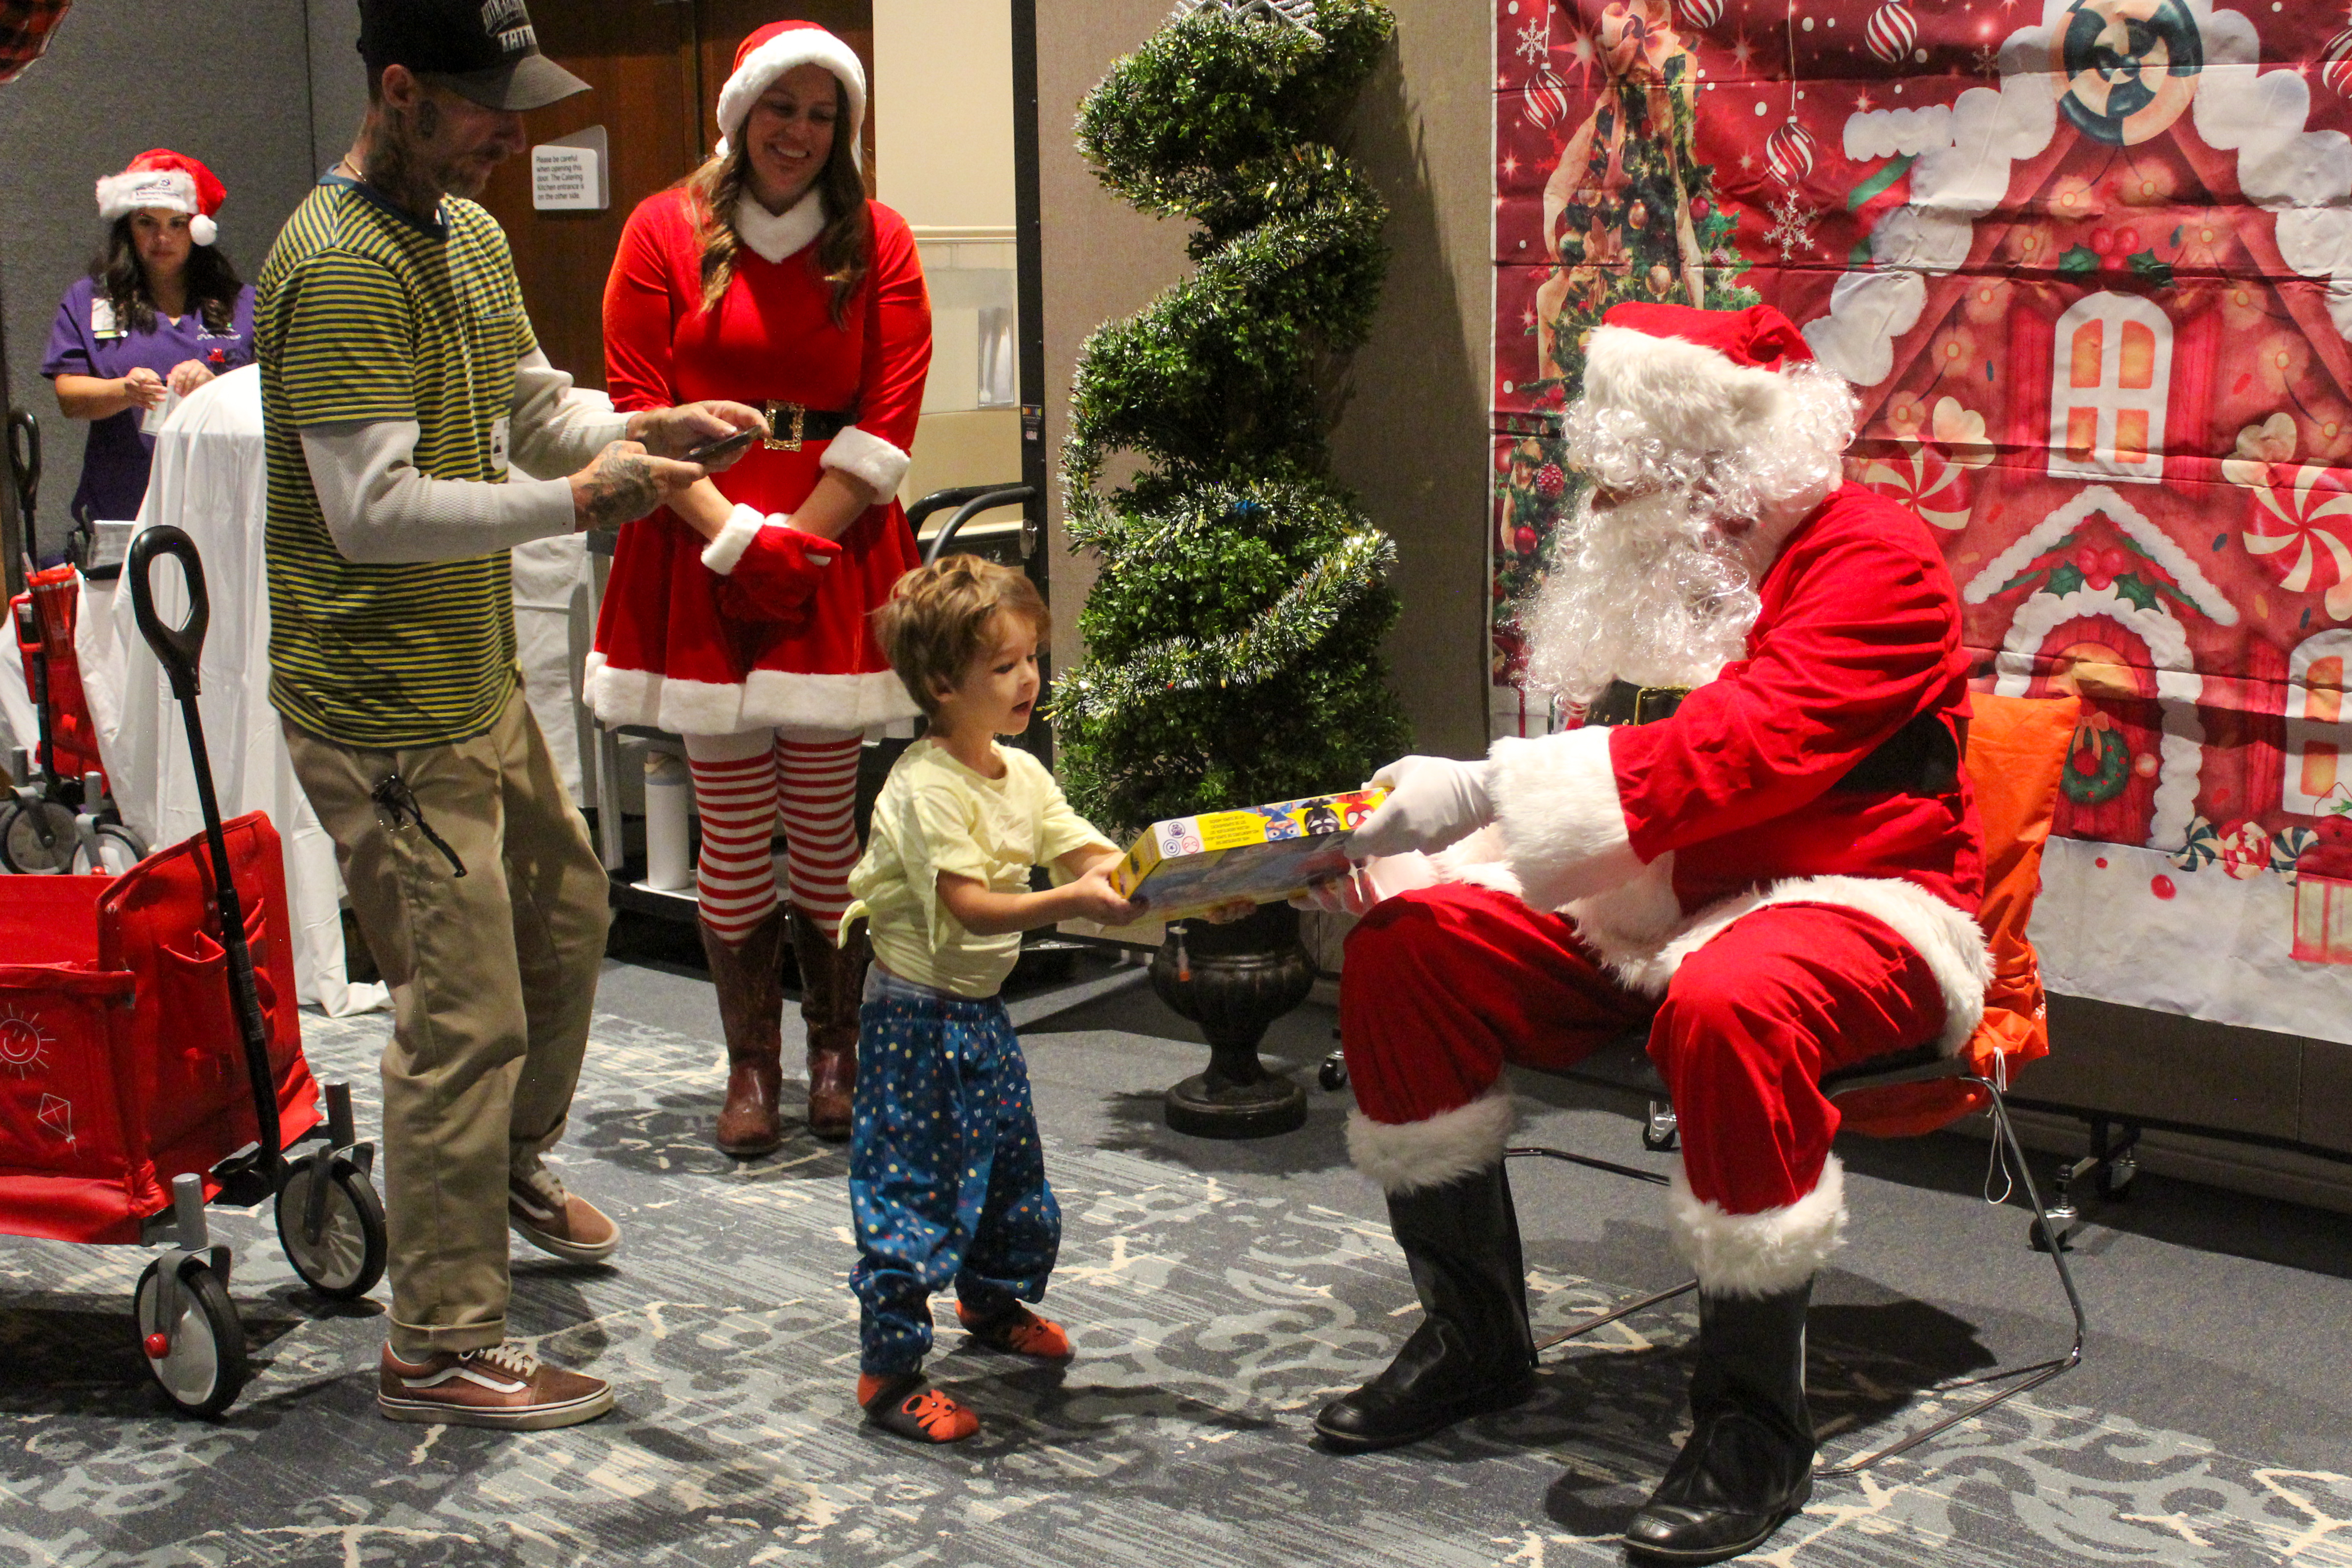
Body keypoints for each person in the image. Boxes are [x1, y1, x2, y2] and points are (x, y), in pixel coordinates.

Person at [1306, 303, 1988, 1563]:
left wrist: (1482, 785)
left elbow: (1745, 749)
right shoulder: (1669, 575)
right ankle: (1474, 1338)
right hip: (1647, 907)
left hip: (1850, 904)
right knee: (1409, 953)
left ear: (1718, 467)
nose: (1599, 504)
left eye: (1626, 479)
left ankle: (1748, 1432)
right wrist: (1433, 851)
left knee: (1730, 1000)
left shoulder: (1870, 559)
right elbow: (1611, 782)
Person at [257, 0, 763, 1431]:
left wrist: (643, 431)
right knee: (460, 1016)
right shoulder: (337, 264)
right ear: (402, 93)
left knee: (566, 918)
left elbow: (532, 408)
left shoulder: (468, 238)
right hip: (382, 711)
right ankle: (439, 1338)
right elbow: (369, 517)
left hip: (472, 682)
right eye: (488, 107)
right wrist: (581, 499)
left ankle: (500, 1165)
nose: (514, 130)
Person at [586, 19, 933, 1155]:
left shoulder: (877, 236)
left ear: (844, 129)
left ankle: (837, 1052)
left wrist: (802, 540)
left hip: (833, 552)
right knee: (732, 833)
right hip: (697, 550)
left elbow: (887, 412)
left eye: (820, 113)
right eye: (780, 107)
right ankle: (753, 1069)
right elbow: (636, 397)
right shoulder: (658, 230)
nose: (797, 132)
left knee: (826, 831)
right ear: (740, 113)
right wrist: (735, 537)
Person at [838, 556, 1137, 1442]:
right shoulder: (926, 787)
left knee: (1010, 1170)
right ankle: (887, 1374)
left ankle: (990, 1300)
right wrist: (1073, 902)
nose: (1029, 680)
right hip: (913, 1017)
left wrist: (1176, 879)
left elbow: (1087, 853)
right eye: (1003, 666)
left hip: (976, 1014)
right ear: (940, 683)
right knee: (912, 1190)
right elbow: (967, 909)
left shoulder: (1022, 773)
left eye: (1033, 658)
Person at [43, 149, 255, 535]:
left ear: (197, 229)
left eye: (177, 223)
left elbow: (275, 394)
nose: (162, 238)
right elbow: (68, 397)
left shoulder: (243, 303)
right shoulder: (89, 300)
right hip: (124, 511)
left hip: (226, 513)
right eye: (147, 223)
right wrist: (124, 390)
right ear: (128, 227)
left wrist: (217, 389)